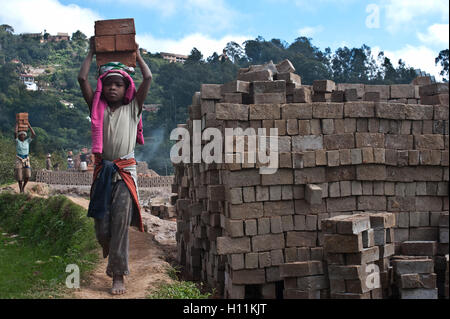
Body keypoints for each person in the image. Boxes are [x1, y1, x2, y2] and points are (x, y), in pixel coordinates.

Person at [78, 36, 152, 295]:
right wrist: (90, 52)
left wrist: (138, 54)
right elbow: (82, 80)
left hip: (124, 173)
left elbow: (149, 79)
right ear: (103, 87)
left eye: (118, 85)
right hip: (102, 172)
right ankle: (108, 247)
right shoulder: (96, 109)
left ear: (125, 88)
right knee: (102, 226)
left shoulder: (133, 109)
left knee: (120, 223)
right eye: (108, 84)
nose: (112, 88)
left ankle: (118, 275)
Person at [14, 122, 36, 193]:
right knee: (19, 176)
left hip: (26, 159)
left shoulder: (27, 141)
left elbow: (33, 134)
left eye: (23, 135)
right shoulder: (17, 142)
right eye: (21, 135)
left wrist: (29, 126)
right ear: (19, 136)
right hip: (19, 159)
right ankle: (21, 189)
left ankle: (23, 187)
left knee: (27, 175)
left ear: (25, 136)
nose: (22, 136)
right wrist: (17, 125)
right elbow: (15, 133)